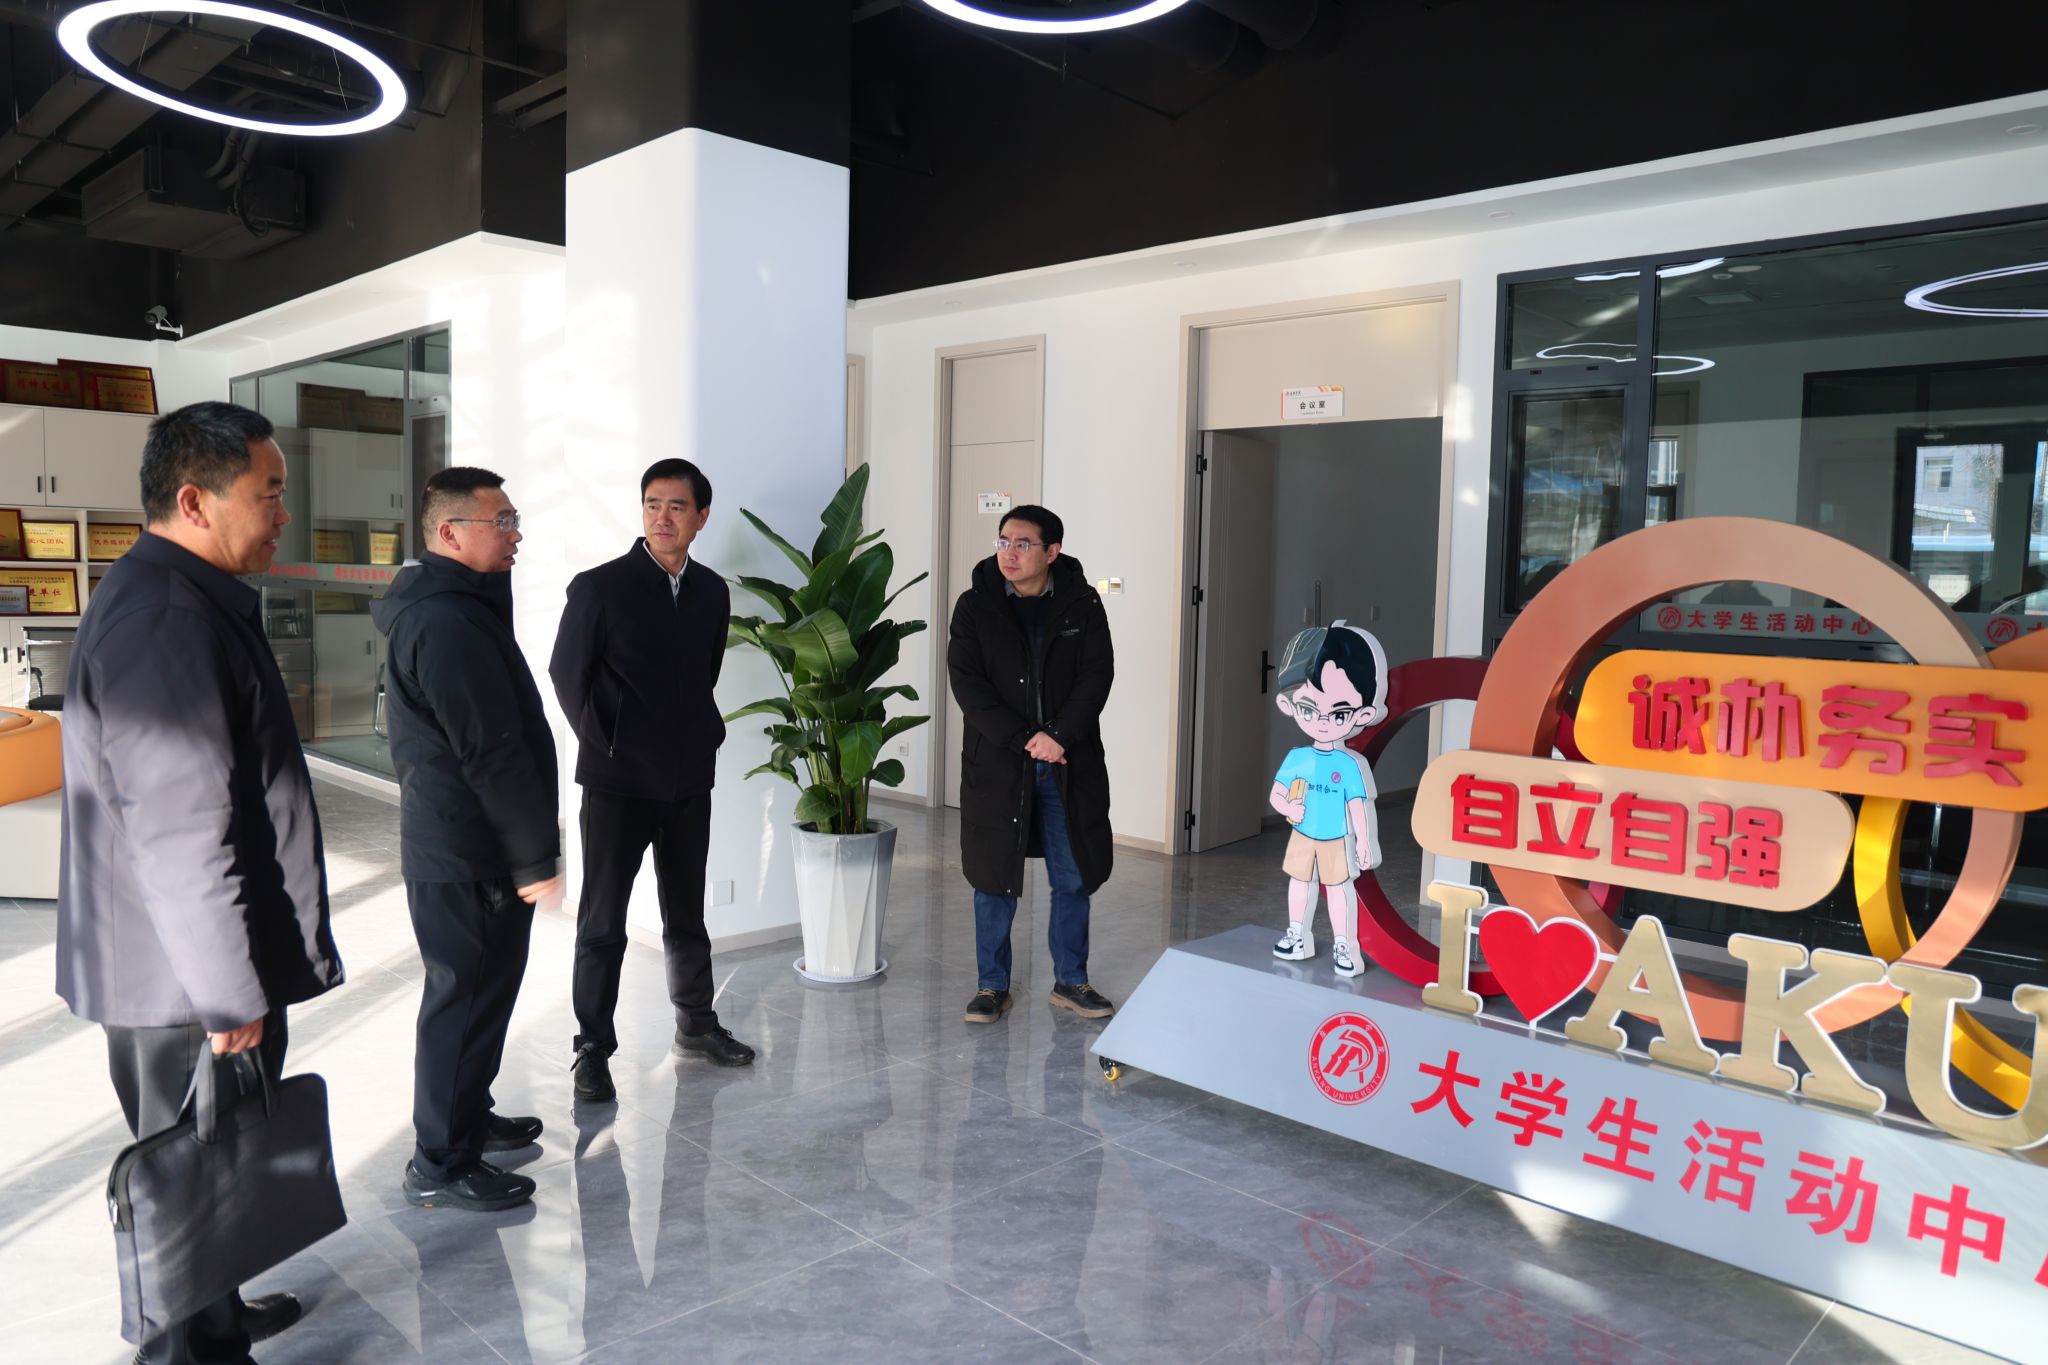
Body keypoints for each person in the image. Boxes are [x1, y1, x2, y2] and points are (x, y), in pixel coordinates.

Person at [58, 400, 341, 1363]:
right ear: (194, 500)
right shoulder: (167, 617)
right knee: (186, 1180)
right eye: (269, 494)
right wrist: (227, 992)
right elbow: (180, 829)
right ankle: (191, 1345)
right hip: (182, 979)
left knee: (216, 1166)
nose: (283, 515)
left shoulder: (179, 594)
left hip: (179, 963)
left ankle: (216, 1316)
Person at [371, 467, 561, 1212]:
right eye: (501, 522)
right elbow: (491, 748)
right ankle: (441, 1163)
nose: (516, 534)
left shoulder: (460, 605)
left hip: (472, 843)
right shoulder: (445, 622)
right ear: (450, 533)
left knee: (483, 996)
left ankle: (467, 1117)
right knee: (464, 999)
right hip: (466, 850)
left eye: (514, 519)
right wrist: (533, 856)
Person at [549, 458, 753, 1103]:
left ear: (701, 517)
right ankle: (592, 1049)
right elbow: (566, 675)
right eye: (652, 504)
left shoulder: (711, 592)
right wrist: (608, 744)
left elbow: (704, 674)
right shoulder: (600, 587)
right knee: (603, 920)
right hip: (617, 784)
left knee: (686, 912)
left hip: (689, 778)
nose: (663, 517)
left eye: (677, 506)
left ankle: (696, 1024)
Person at [947, 504, 1116, 1024]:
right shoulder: (975, 605)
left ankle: (1071, 981)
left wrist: (1058, 736)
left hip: (1067, 762)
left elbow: (1097, 677)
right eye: (1003, 541)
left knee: (1072, 875)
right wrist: (1026, 739)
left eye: (1023, 544)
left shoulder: (1083, 603)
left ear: (1052, 551)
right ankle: (991, 986)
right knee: (993, 878)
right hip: (1000, 764)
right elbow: (968, 686)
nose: (1010, 553)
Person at [1268, 622, 1388, 977]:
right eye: (1309, 709)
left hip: (1337, 838)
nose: (1322, 722)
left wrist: (1364, 841)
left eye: (1338, 714)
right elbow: (1277, 793)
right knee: (1299, 883)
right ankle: (1297, 934)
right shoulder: (1298, 758)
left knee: (1338, 889)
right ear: (1288, 705)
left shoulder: (1349, 764)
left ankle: (1344, 944)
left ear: (1363, 715)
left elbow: (1357, 805)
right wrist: (1287, 806)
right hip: (1303, 834)